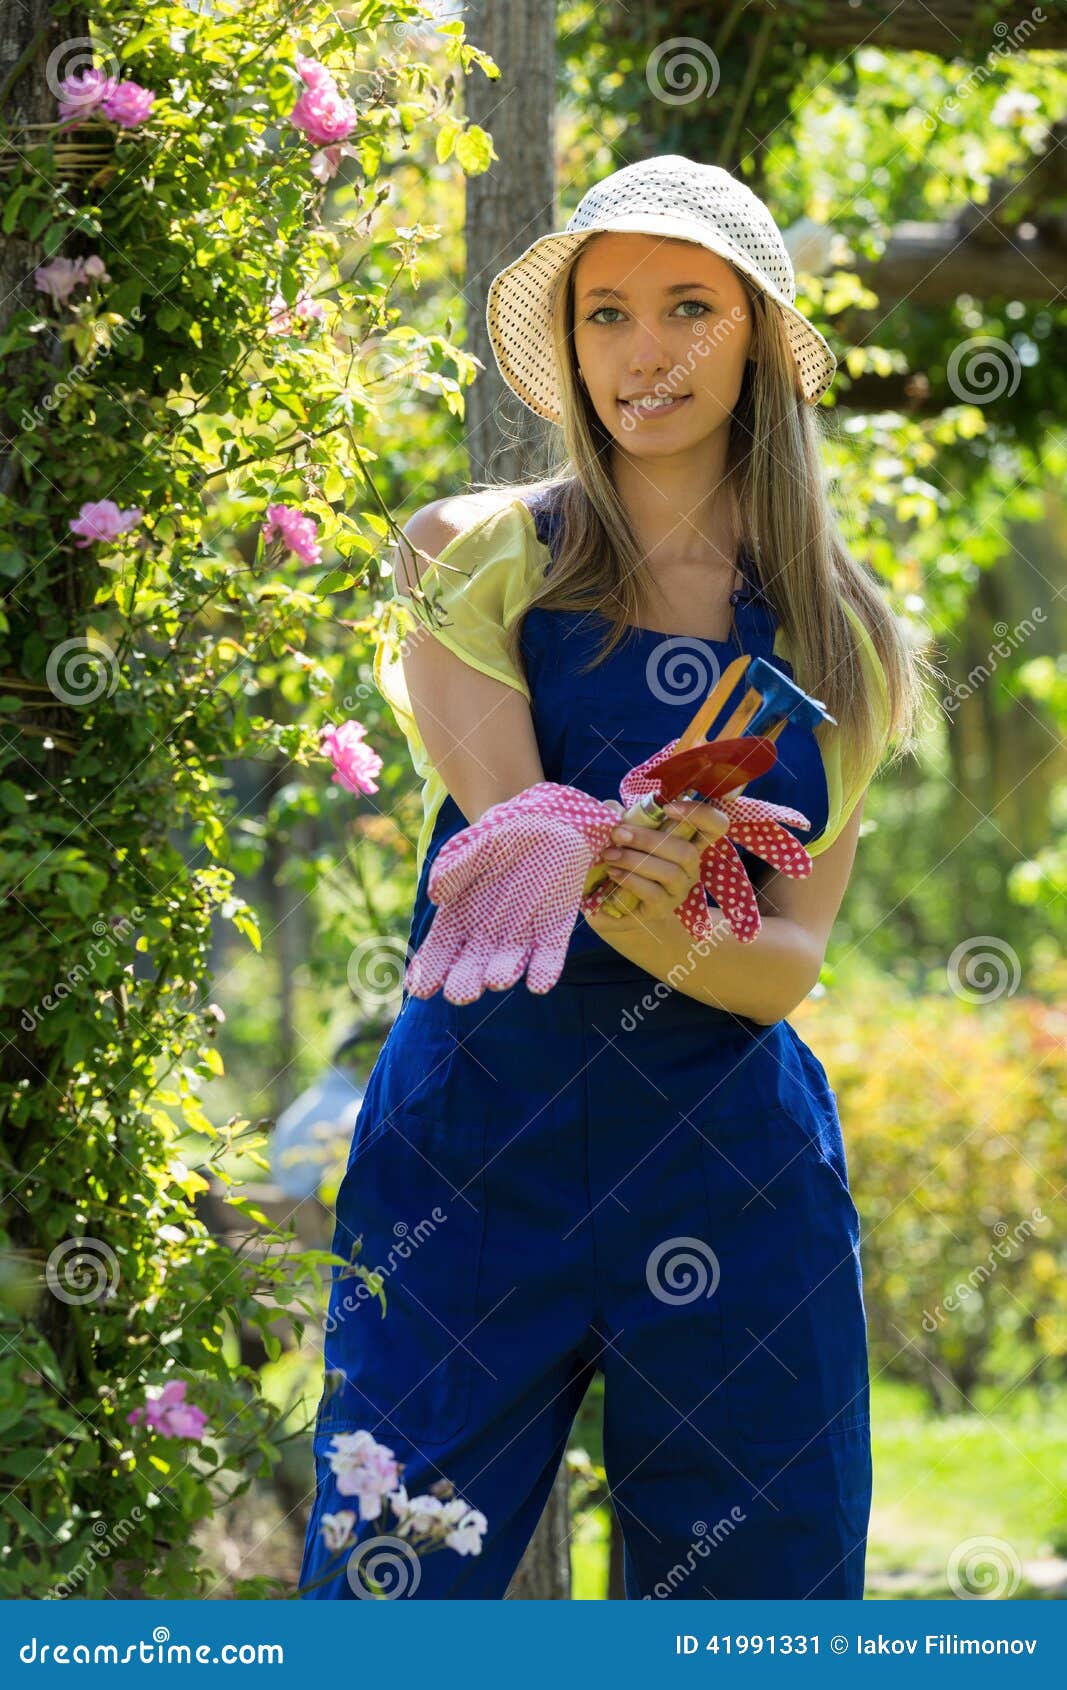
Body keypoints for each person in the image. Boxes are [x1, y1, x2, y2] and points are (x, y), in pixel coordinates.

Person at [299, 154, 924, 1601]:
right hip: (472, 1160)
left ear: (760, 335)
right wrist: (609, 859)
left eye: (690, 308)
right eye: (607, 315)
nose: (645, 354)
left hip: (730, 1181)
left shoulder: (844, 642)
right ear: (569, 346)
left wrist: (680, 932)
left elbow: (788, 962)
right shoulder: (478, 553)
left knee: (756, 1618)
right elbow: (518, 829)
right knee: (389, 1598)